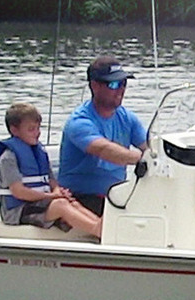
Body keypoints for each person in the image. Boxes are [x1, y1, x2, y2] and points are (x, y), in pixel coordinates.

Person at [0, 102, 102, 238]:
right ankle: (97, 231)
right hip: (17, 211)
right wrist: (52, 196)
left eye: (38, 128)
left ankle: (102, 226)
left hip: (38, 204)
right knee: (60, 204)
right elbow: (19, 192)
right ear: (14, 130)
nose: (37, 133)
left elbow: (51, 181)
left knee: (71, 202)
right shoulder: (8, 158)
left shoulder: (39, 153)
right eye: (31, 129)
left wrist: (57, 191)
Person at [57, 55, 148, 216]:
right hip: (81, 198)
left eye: (123, 83)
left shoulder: (128, 118)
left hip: (117, 195)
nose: (121, 89)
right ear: (95, 86)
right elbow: (104, 149)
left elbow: (150, 146)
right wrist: (140, 158)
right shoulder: (79, 122)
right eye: (114, 84)